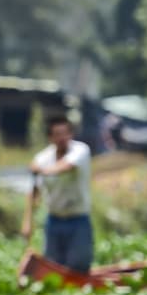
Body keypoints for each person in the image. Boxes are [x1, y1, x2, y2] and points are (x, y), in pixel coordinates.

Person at [29, 114, 93, 272]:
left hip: (78, 219)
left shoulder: (80, 150)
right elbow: (33, 191)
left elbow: (66, 166)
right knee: (53, 267)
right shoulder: (42, 157)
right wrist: (28, 221)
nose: (62, 138)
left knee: (79, 265)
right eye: (57, 134)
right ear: (50, 137)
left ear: (71, 134)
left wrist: (41, 170)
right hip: (54, 220)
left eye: (65, 133)